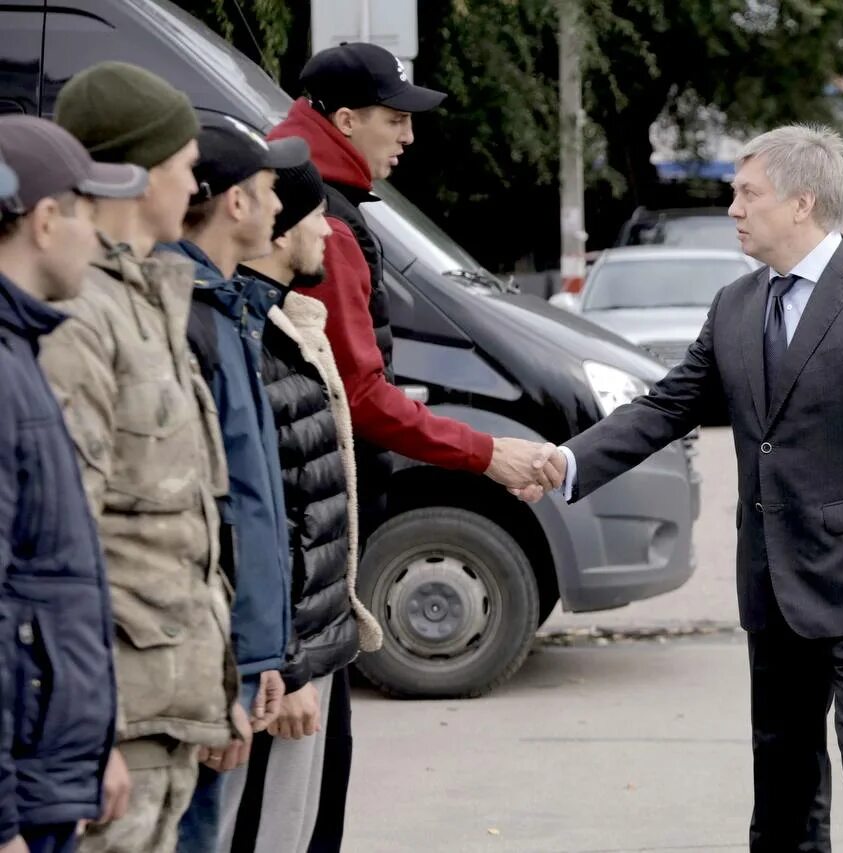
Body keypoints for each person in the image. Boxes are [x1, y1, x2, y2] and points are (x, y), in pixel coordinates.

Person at [541, 125, 843, 852]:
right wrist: (565, 465)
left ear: (801, 203)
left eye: (747, 193)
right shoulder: (736, 303)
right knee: (784, 774)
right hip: (773, 582)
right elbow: (668, 405)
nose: (733, 207)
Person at [267, 42, 560, 848]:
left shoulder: (306, 189)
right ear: (344, 118)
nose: (409, 136)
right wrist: (484, 451)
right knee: (300, 782)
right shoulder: (319, 217)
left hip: (300, 511)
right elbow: (357, 396)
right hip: (309, 524)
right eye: (395, 119)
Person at [41, 62, 247, 853]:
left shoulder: (149, 298)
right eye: (183, 164)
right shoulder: (78, 314)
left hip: (166, 704)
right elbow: (64, 542)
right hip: (116, 719)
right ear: (132, 172)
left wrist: (217, 682)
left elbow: (186, 528)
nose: (196, 181)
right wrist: (83, 733)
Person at [225, 159, 383, 853]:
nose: (328, 229)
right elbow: (267, 521)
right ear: (280, 227)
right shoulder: (254, 341)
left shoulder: (290, 327)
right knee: (265, 831)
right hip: (282, 665)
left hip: (312, 648)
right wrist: (287, 667)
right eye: (316, 214)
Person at [0, 117, 148, 853]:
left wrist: (94, 748)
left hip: (50, 774)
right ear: (46, 219)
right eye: (89, 214)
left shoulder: (22, 350)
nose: (100, 236)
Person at [166, 116, 310, 853]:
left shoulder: (226, 306)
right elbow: (204, 517)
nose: (281, 207)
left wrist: (264, 657)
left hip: (233, 657)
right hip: (199, 668)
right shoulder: (185, 316)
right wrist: (228, 671)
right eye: (267, 189)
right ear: (233, 203)